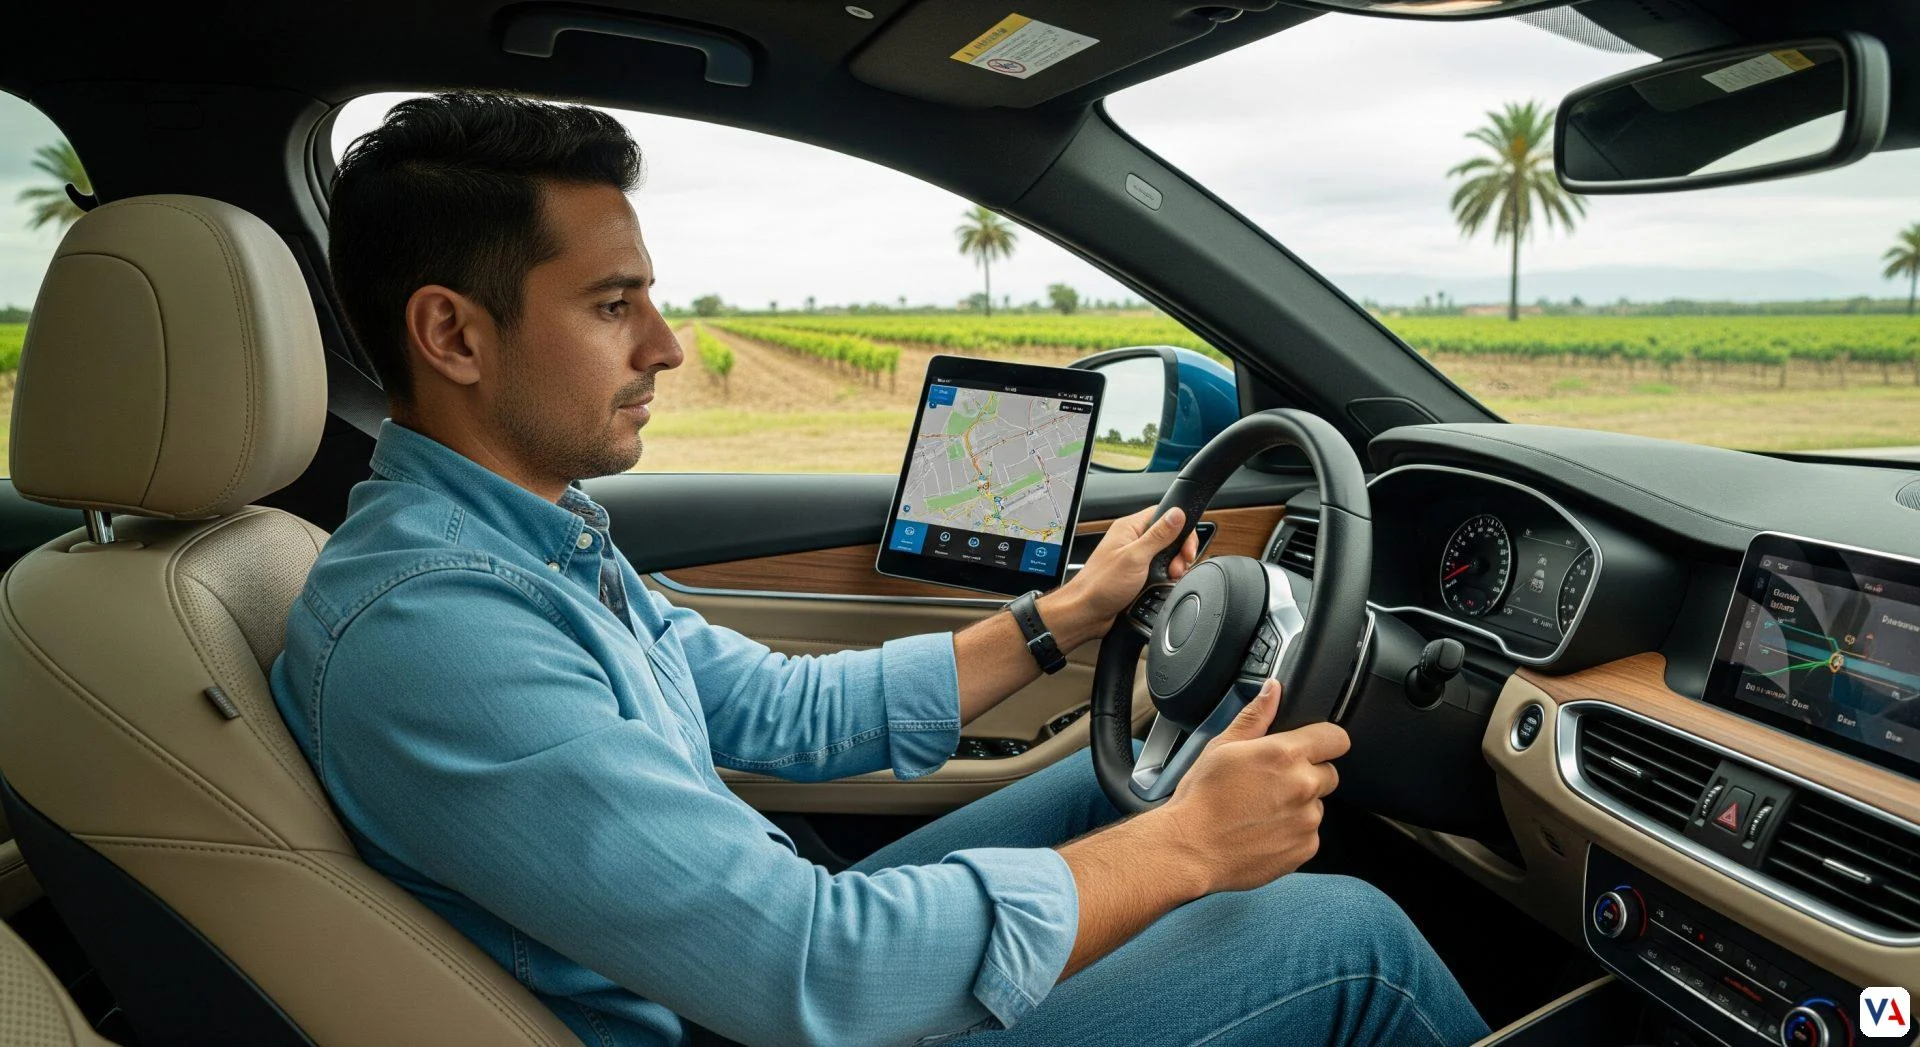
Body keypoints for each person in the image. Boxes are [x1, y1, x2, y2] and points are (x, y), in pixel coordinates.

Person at [270, 91, 1488, 1047]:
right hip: (745, 1019)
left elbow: (774, 709)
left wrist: (1066, 615)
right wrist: (1189, 851)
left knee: (1151, 788)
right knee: (1347, 936)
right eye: (611, 305)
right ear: (453, 334)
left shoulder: (513, 545)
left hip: (738, 976)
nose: (669, 345)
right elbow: (816, 972)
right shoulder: (442, 634)